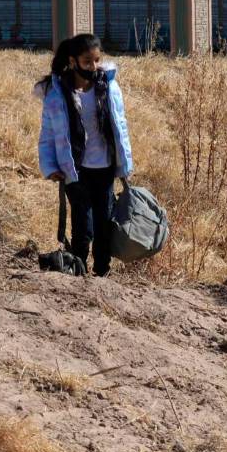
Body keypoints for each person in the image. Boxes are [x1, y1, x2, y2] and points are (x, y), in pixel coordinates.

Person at [35, 33, 134, 277]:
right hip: (75, 169)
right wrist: (50, 167)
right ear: (73, 61)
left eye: (97, 60)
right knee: (83, 226)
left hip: (105, 167)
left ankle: (102, 274)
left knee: (104, 225)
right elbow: (48, 134)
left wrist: (125, 162)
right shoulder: (57, 94)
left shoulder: (108, 87)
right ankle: (78, 273)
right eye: (87, 61)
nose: (94, 66)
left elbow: (120, 126)